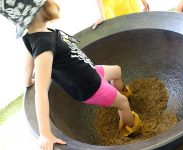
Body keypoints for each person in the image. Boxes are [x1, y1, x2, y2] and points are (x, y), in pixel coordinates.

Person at [0, 0, 141, 149]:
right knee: (123, 103)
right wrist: (45, 133)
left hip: (88, 71)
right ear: (39, 11)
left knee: (116, 71)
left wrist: (27, 81)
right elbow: (40, 93)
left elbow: (28, 65)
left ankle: (116, 95)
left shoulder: (32, 35)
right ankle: (132, 129)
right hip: (90, 85)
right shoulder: (44, 48)